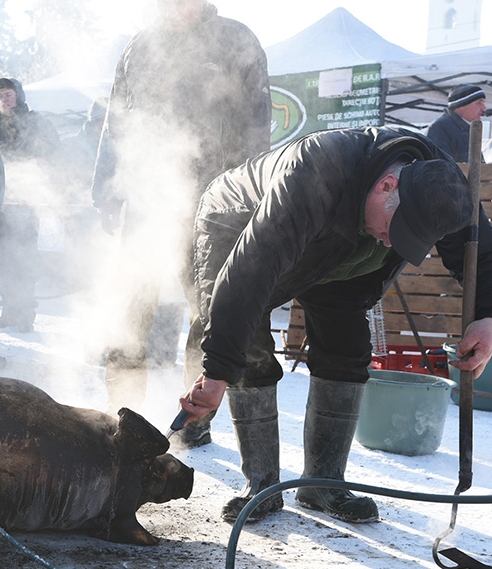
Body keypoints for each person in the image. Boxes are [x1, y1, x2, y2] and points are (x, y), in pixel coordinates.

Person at [177, 126, 492, 525]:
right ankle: (261, 484)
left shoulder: (441, 186)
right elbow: (247, 278)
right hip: (239, 224)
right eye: (399, 231)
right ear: (386, 186)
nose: (396, 244)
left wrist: (487, 316)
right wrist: (218, 371)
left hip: (340, 244)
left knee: (347, 345)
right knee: (250, 344)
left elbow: (482, 257)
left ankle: (323, 484)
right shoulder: (314, 172)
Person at [90, 0, 269, 439]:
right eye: (166, 1)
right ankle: (121, 413)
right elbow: (116, 120)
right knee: (132, 304)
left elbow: (257, 125)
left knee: (207, 313)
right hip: (148, 196)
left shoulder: (237, 42)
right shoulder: (140, 47)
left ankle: (196, 417)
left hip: (215, 203)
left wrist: (250, 194)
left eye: (184, 0)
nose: (175, 11)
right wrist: (105, 185)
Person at [0, 78, 61, 332]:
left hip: (27, 201)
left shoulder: (36, 122)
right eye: (1, 95)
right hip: (0, 202)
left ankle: (25, 314)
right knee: (4, 259)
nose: (5, 98)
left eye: (9, 93)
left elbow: (53, 153)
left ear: (19, 94)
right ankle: (8, 310)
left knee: (24, 260)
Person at [426, 84, 486, 162]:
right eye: (479, 103)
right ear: (462, 105)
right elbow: (440, 169)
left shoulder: (467, 130)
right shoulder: (439, 129)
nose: (484, 109)